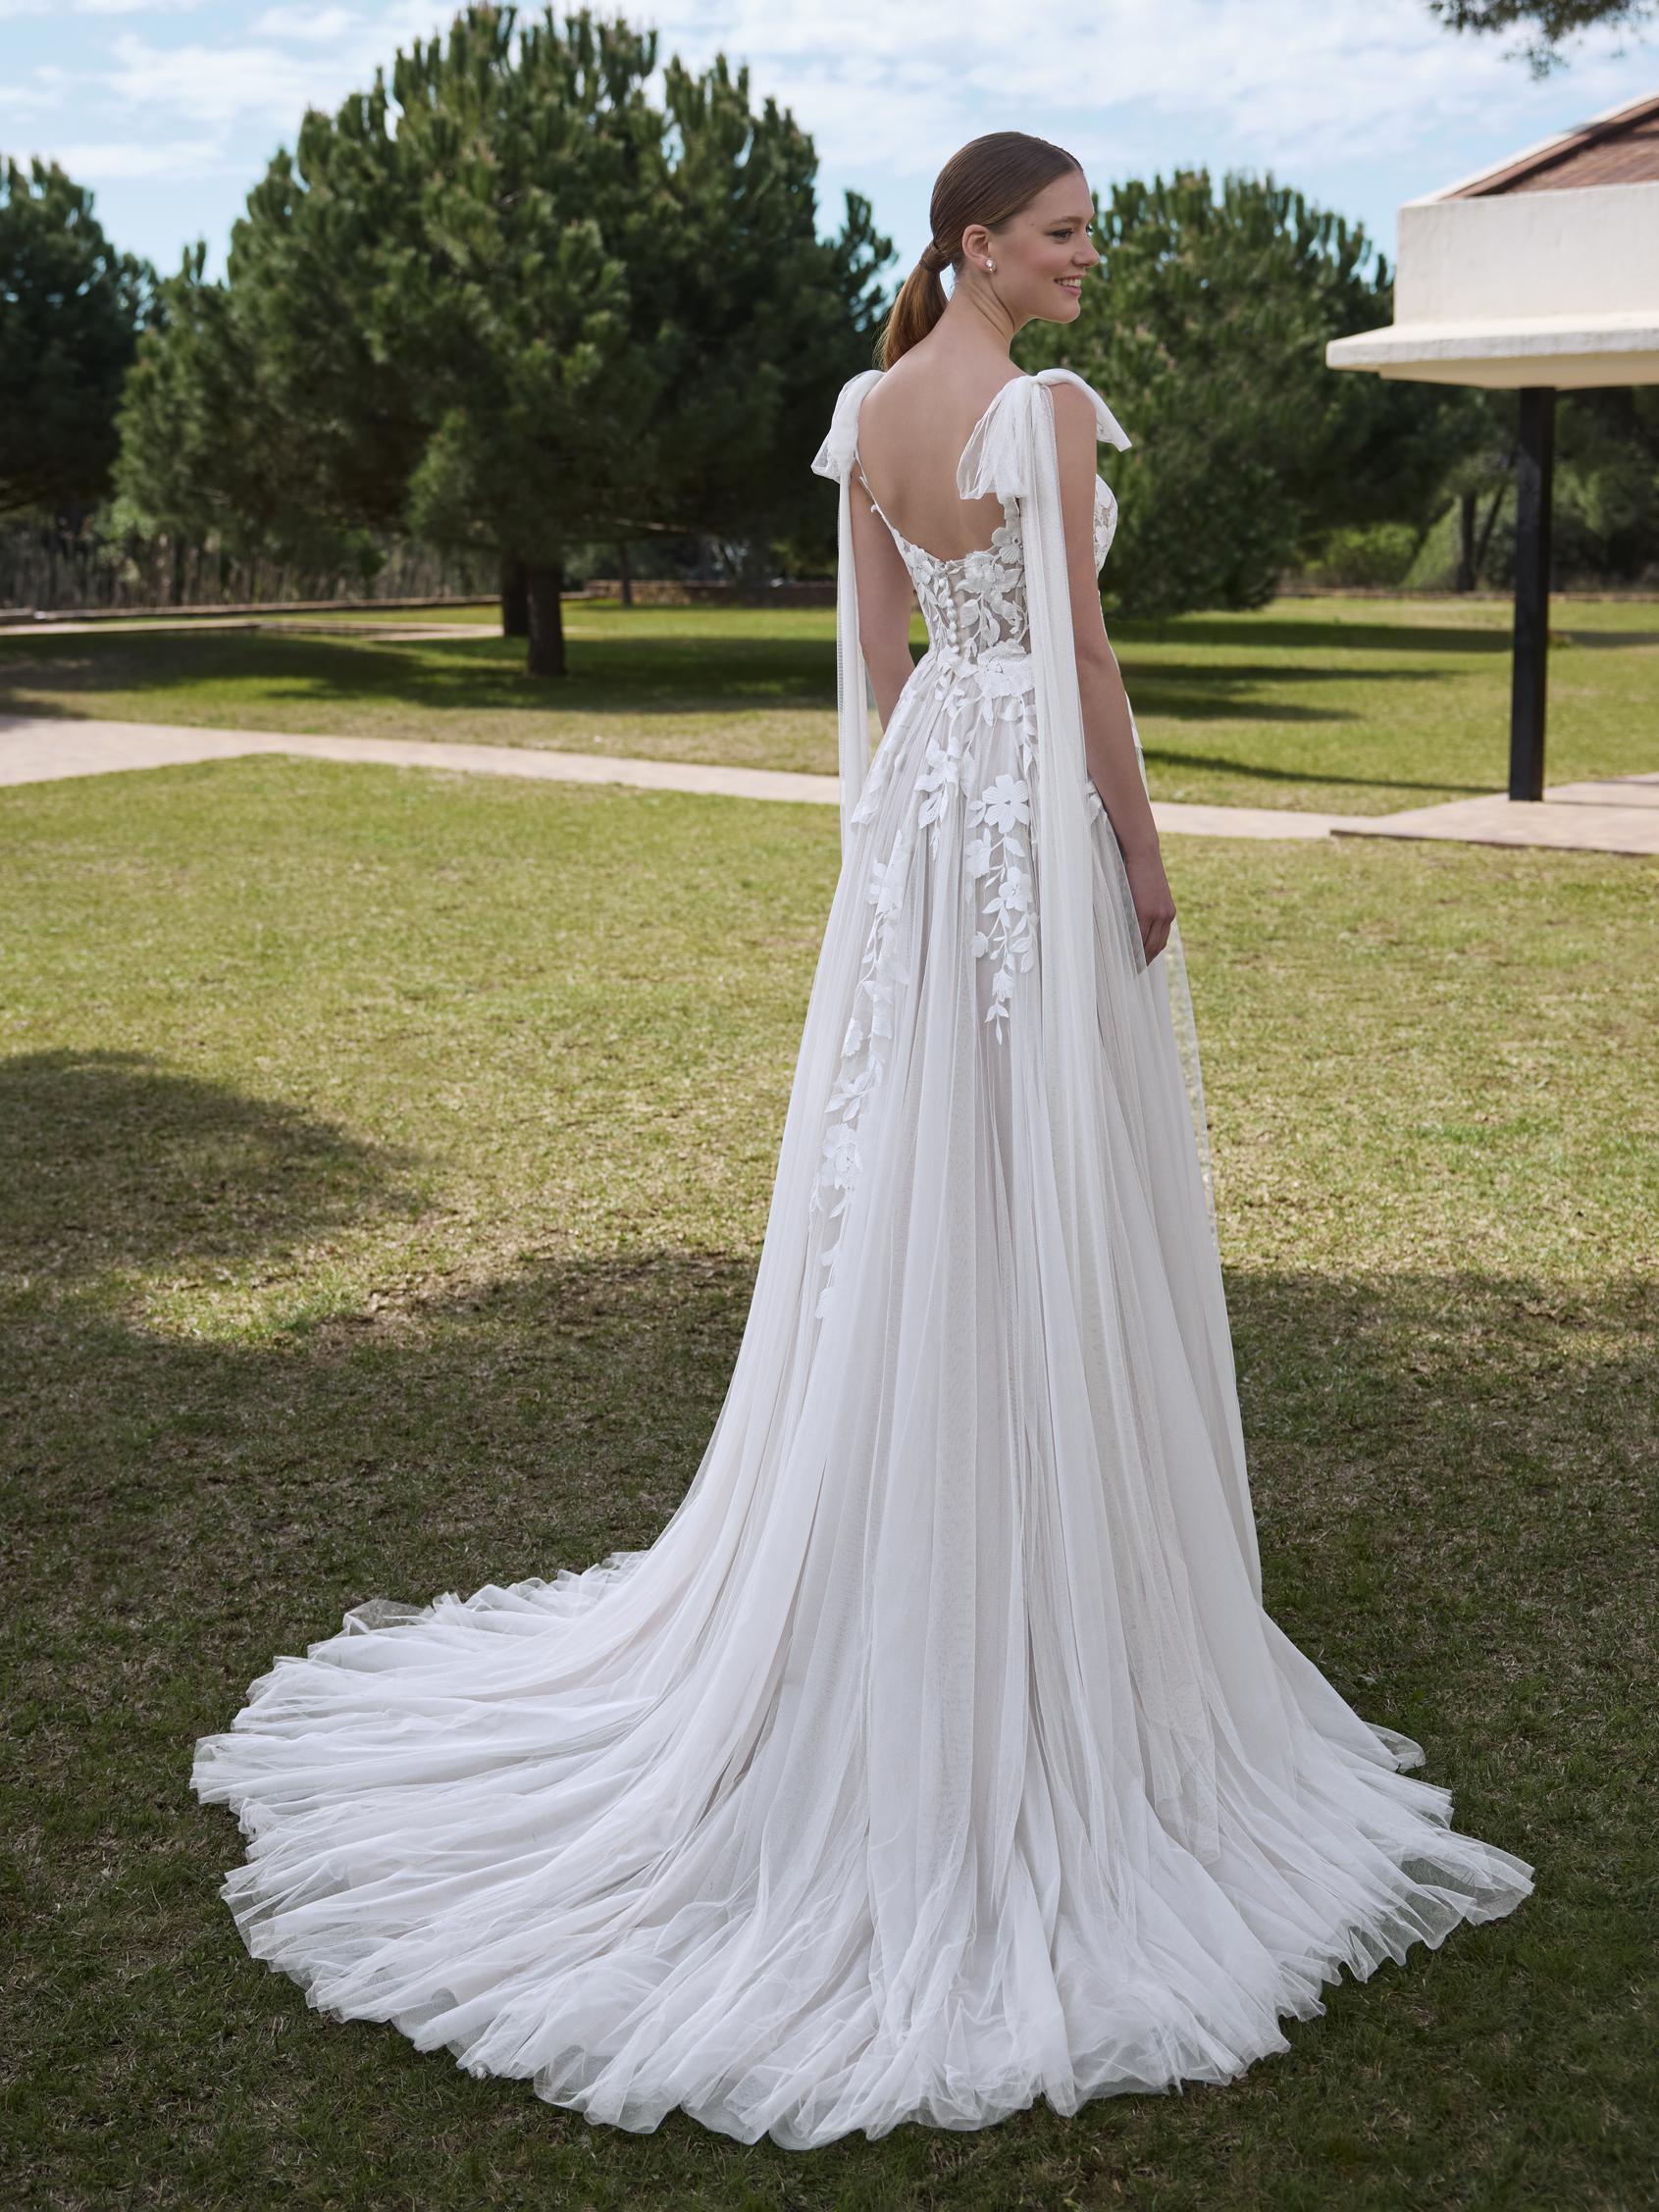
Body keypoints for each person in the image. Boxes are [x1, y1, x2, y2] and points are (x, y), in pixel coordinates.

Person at [190, 130, 1533, 2151]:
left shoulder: (866, 408)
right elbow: (1083, 656)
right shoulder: (1042, 410)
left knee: (928, 1163)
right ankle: (1029, 1556)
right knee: (1036, 1159)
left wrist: (918, 823)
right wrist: (1140, 849)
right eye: (1063, 233)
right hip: (1027, 803)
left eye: (1088, 234)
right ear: (978, 244)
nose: (1089, 258)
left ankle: (948, 1505)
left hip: (929, 810)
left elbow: (883, 658)